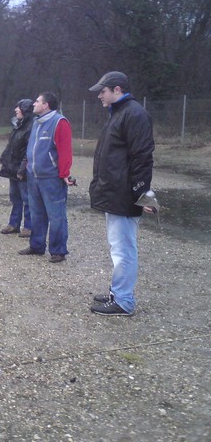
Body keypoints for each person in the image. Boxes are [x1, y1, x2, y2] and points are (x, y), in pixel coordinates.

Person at [88, 71, 155, 316]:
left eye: (103, 91)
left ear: (117, 90)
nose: (99, 96)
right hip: (116, 192)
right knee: (118, 246)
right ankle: (118, 292)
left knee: (123, 249)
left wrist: (142, 194)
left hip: (124, 194)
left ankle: (124, 300)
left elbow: (142, 157)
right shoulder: (120, 113)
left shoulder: (133, 114)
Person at [18, 92, 73, 262]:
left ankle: (58, 250)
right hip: (34, 176)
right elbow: (31, 148)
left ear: (46, 104)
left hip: (51, 178)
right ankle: (37, 245)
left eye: (37, 101)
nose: (34, 104)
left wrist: (64, 173)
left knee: (56, 215)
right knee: (36, 214)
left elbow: (65, 151)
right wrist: (27, 168)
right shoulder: (36, 122)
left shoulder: (59, 122)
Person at [0, 99, 34, 237]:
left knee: (27, 198)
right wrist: (3, 158)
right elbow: (11, 144)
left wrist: (22, 169)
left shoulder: (31, 127)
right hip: (13, 167)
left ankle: (29, 226)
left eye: (18, 108)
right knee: (15, 197)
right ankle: (14, 224)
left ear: (25, 110)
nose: (16, 110)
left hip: (22, 168)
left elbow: (28, 151)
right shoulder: (18, 125)